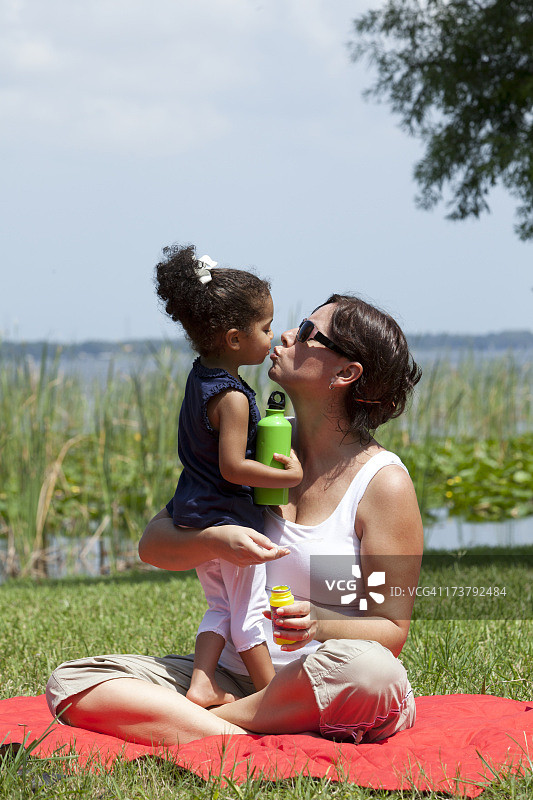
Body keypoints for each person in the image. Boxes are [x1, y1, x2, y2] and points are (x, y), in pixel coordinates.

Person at [46, 293, 424, 746]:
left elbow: (391, 629)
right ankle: (240, 730)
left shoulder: (382, 483)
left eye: (308, 332)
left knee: (373, 675)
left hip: (323, 680)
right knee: (72, 683)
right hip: (233, 677)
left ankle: (209, 725)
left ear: (346, 373)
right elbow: (153, 544)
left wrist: (319, 622)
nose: (288, 334)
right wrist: (214, 540)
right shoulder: (248, 452)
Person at [151, 244, 302, 709]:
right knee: (250, 611)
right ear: (235, 339)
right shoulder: (234, 398)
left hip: (196, 512)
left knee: (220, 605)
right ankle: (271, 697)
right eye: (266, 327)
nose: (272, 337)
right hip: (228, 517)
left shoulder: (200, 378)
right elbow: (233, 467)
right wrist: (289, 475)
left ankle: (201, 683)